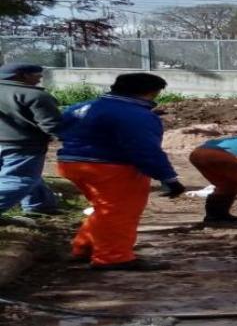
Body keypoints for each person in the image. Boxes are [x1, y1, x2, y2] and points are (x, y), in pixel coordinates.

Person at [57, 73, 185, 272]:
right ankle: (112, 258)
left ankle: (86, 248)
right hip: (111, 167)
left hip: (71, 162)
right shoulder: (136, 115)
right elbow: (145, 149)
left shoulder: (81, 107)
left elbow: (59, 129)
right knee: (119, 213)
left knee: (104, 208)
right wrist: (167, 177)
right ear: (151, 92)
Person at [0, 63, 62, 222]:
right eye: (37, 74)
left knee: (28, 173)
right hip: (22, 145)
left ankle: (40, 205)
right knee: (18, 179)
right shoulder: (35, 96)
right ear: (22, 75)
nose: (40, 77)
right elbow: (52, 125)